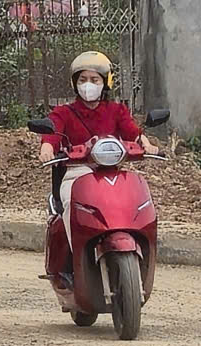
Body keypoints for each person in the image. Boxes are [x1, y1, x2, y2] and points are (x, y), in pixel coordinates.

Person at [41, 49, 149, 223]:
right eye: (82, 80)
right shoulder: (64, 112)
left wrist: (146, 144)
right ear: (74, 83)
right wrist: (47, 147)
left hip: (112, 172)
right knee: (71, 201)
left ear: (105, 82)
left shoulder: (116, 110)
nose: (88, 84)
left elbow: (133, 133)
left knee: (138, 203)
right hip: (76, 173)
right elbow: (53, 131)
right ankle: (75, 248)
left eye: (94, 79)